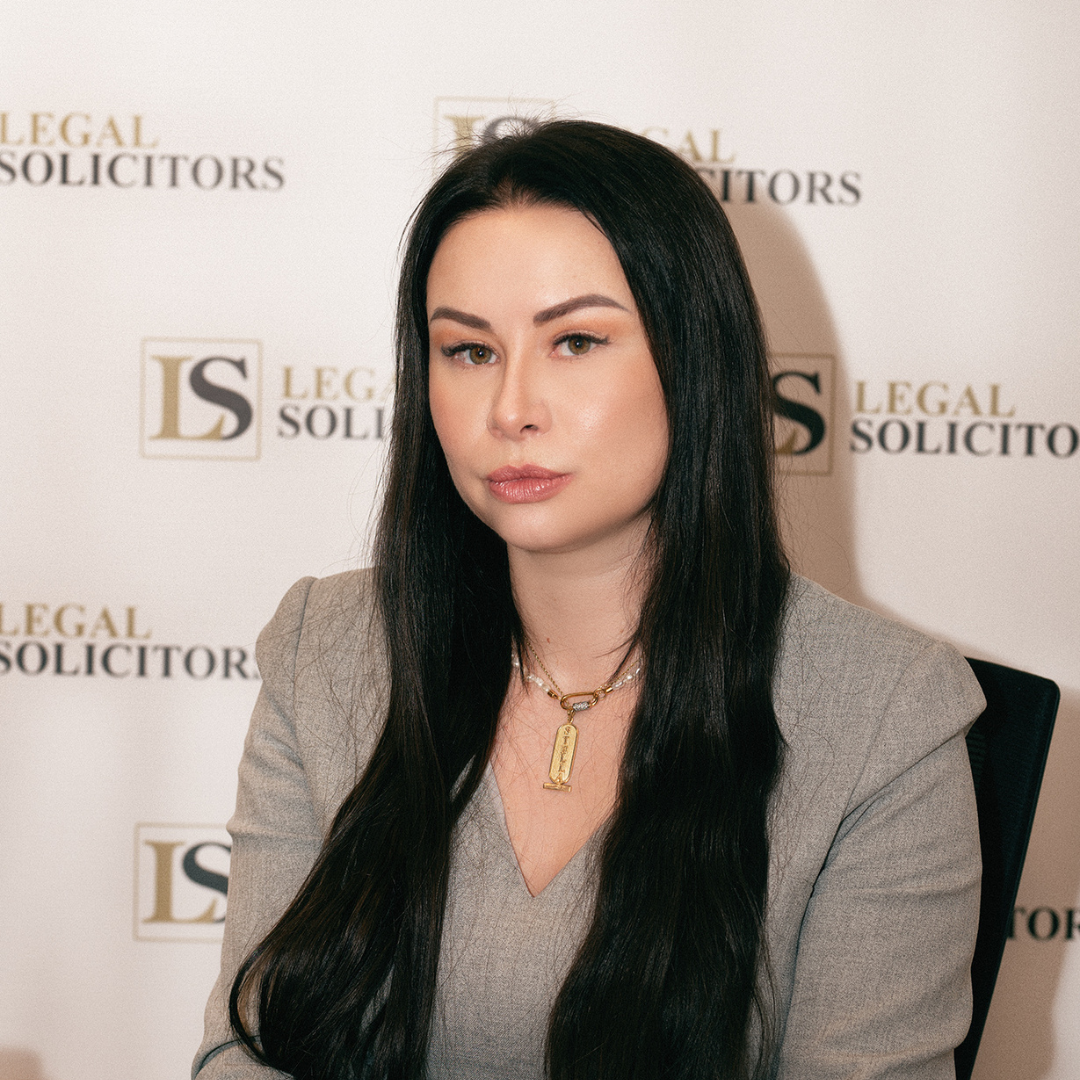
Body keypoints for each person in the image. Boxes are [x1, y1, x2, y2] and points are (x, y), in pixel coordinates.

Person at [193, 120, 984, 1080]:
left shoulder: (885, 711)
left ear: (694, 362)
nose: (510, 410)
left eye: (575, 341)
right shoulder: (324, 648)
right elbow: (247, 1048)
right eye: (468, 351)